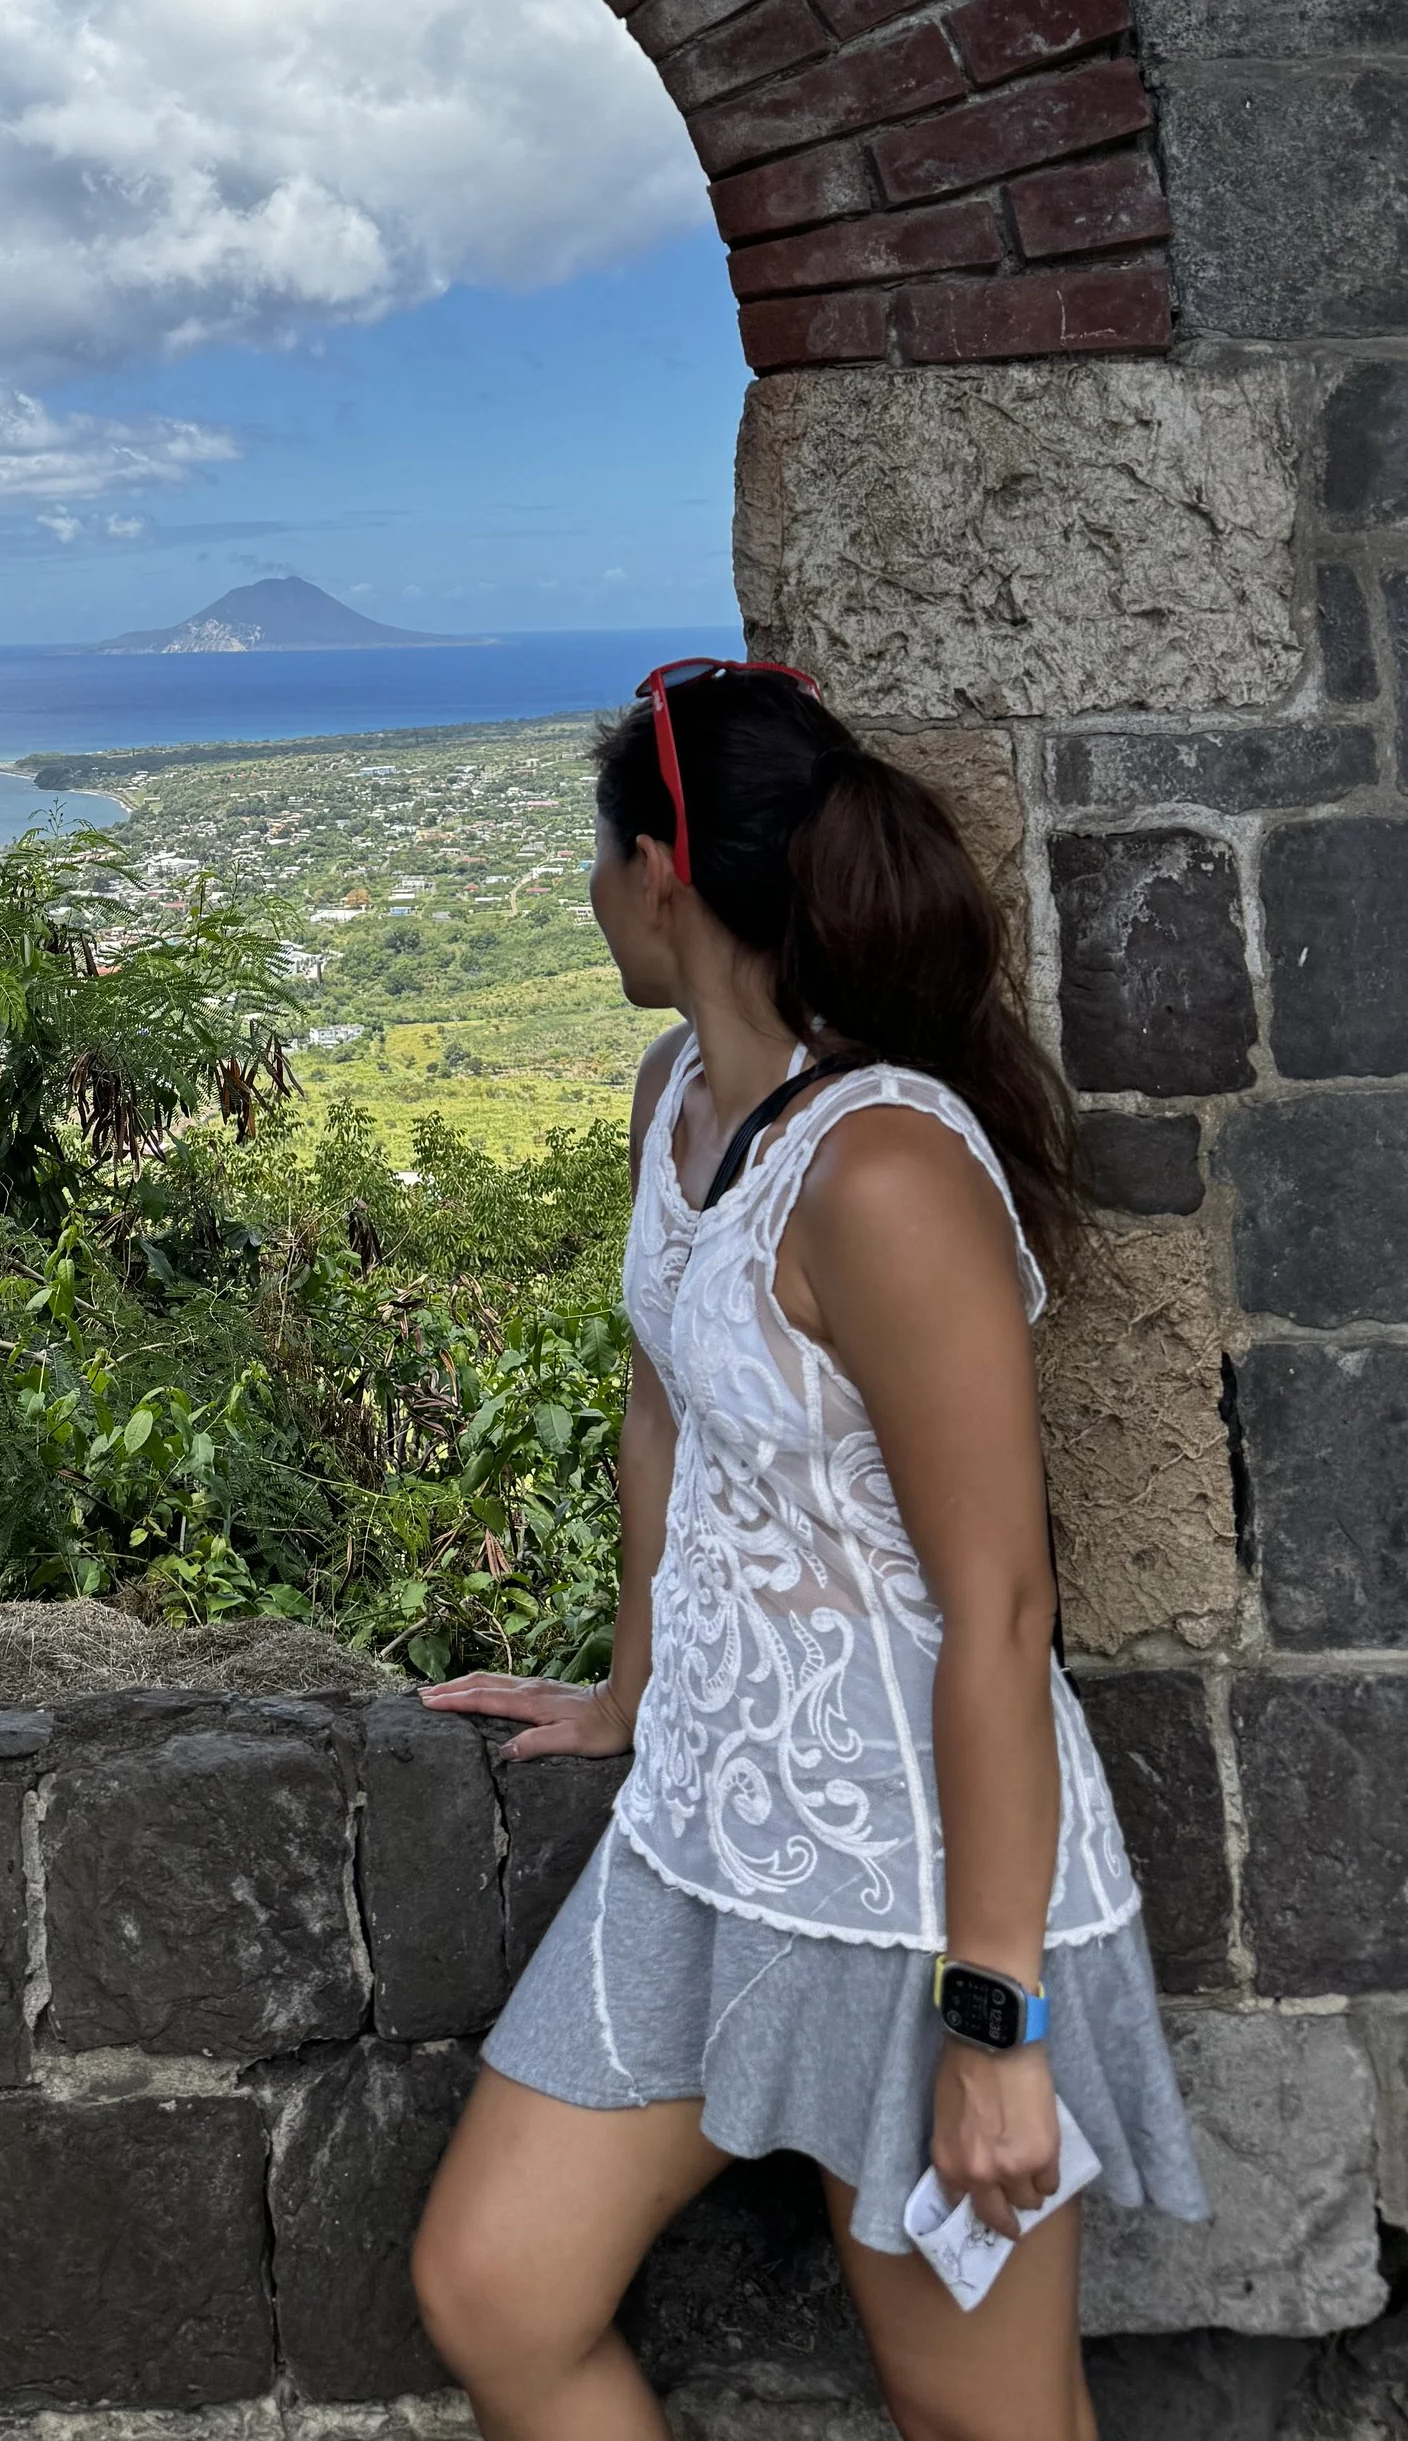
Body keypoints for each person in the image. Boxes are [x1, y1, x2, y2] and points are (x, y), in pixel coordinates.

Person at [409, 662, 1204, 2441]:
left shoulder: (883, 1174)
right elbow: (663, 1408)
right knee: (497, 2291)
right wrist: (630, 1689)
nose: (590, 892)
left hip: (920, 1884)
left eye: (598, 857)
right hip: (704, 1832)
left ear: (659, 873)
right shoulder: (675, 1098)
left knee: (981, 2419)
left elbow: (999, 1608)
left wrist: (994, 2021)